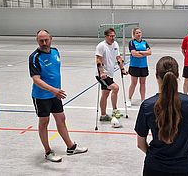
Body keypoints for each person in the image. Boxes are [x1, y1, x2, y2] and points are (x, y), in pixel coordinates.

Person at [135, 56, 188, 176]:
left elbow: (140, 144)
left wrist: (154, 157)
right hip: (183, 168)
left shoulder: (147, 105)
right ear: (177, 76)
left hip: (154, 168)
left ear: (157, 76)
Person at [29, 30, 88, 162]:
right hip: (41, 96)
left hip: (55, 94)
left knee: (61, 118)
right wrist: (53, 90)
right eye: (41, 41)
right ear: (37, 41)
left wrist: (55, 91)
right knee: (44, 122)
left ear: (51, 39)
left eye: (46, 40)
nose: (44, 43)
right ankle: (48, 151)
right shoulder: (34, 57)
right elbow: (36, 79)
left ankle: (70, 147)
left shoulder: (55, 51)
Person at [95, 28, 127, 121]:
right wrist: (101, 72)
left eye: (114, 36)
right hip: (102, 74)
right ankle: (114, 110)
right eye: (111, 36)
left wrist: (122, 69)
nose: (113, 38)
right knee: (115, 88)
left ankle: (103, 115)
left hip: (110, 73)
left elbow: (118, 57)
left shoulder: (115, 44)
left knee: (105, 94)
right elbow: (98, 60)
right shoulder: (101, 46)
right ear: (106, 36)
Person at [127, 27, 151, 107]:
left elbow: (150, 52)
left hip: (143, 66)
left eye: (139, 32)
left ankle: (143, 100)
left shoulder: (144, 42)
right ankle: (129, 99)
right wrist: (144, 53)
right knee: (134, 83)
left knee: (143, 83)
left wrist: (140, 52)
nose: (138, 34)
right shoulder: (132, 42)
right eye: (137, 33)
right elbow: (134, 54)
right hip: (134, 66)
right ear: (134, 34)